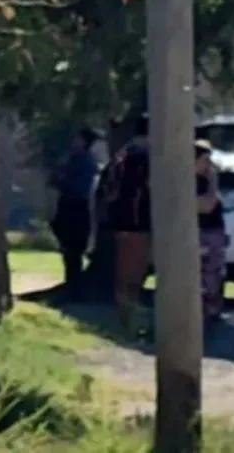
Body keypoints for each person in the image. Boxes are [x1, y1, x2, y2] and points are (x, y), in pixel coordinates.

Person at [105, 116, 152, 335]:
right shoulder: (143, 157)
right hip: (137, 221)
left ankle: (124, 317)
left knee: (124, 273)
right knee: (133, 275)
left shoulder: (123, 154)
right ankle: (128, 322)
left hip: (119, 220)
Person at [50, 128, 100, 300]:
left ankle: (74, 289)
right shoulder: (72, 160)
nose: (73, 142)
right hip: (69, 208)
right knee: (69, 252)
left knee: (73, 251)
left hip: (77, 209)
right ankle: (72, 286)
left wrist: (62, 180)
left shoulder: (85, 163)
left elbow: (79, 188)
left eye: (77, 139)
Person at [195, 140, 226, 330]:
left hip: (215, 234)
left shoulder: (206, 180)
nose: (209, 165)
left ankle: (213, 309)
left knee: (215, 274)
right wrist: (214, 182)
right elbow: (207, 206)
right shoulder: (191, 183)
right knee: (202, 277)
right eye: (205, 160)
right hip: (200, 234)